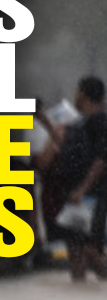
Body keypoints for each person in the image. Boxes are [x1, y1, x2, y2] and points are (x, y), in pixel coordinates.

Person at [47, 75, 107, 281]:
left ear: (83, 93)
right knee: (74, 250)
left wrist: (83, 189)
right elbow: (67, 149)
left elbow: (101, 158)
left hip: (91, 196)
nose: (75, 95)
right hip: (74, 194)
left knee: (91, 250)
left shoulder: (100, 120)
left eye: (78, 91)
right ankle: (78, 292)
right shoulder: (79, 122)